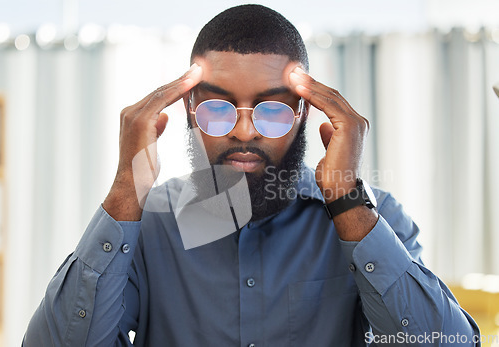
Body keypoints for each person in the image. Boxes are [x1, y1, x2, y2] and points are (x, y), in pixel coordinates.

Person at [24, 4, 479, 346]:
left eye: (273, 110)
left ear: (304, 112)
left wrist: (345, 200)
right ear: (188, 108)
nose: (244, 131)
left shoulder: (376, 218)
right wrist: (128, 184)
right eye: (218, 108)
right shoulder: (148, 224)